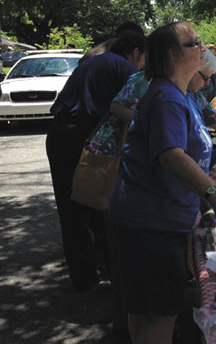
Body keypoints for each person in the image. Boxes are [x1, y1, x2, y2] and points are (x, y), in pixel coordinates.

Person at [108, 22, 216, 344]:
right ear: (171, 54)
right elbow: (172, 155)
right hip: (151, 223)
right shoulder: (166, 96)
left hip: (153, 219)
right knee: (158, 314)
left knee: (145, 309)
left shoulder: (178, 92)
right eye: (193, 43)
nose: (202, 48)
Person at [45, 31, 146, 292]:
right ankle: (115, 276)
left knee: (70, 206)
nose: (144, 65)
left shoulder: (94, 60)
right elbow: (136, 107)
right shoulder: (125, 68)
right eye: (144, 58)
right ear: (136, 52)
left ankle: (84, 276)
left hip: (58, 133)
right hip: (84, 135)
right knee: (103, 201)